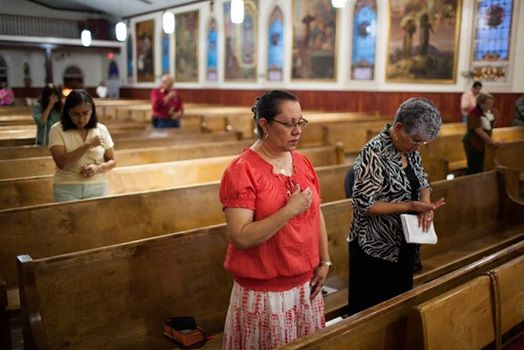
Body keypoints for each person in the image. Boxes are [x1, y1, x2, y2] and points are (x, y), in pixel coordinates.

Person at [220, 90, 330, 349]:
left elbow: (317, 213)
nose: (297, 131)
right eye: (289, 124)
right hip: (266, 294)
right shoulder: (241, 170)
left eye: (300, 122)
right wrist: (289, 210)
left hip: (305, 286)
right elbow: (241, 236)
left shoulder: (302, 162)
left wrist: (324, 260)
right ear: (264, 125)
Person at [347, 98, 446, 316]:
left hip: (404, 244)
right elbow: (364, 204)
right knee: (372, 315)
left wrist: (427, 205)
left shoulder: (410, 149)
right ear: (399, 128)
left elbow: (422, 181)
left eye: (423, 142)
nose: (418, 146)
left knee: (399, 310)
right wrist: (409, 205)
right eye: (416, 140)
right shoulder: (373, 153)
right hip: (375, 248)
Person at [48, 90, 116, 202]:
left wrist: (98, 168)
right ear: (67, 112)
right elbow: (62, 163)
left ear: (92, 111)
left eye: (85, 113)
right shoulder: (57, 130)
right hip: (67, 187)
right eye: (76, 114)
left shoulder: (101, 129)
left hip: (97, 186)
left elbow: (112, 161)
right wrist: (88, 145)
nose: (81, 119)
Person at [463, 92, 500, 174]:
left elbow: (490, 127)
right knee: (474, 166)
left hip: (483, 142)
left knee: (482, 166)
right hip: (473, 142)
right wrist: (491, 142)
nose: (490, 106)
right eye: (488, 104)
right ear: (480, 103)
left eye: (491, 104)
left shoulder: (489, 112)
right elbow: (478, 130)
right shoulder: (474, 113)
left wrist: (496, 117)